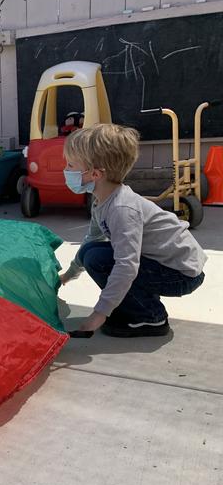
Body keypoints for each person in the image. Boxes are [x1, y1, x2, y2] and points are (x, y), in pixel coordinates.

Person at [59, 124, 207, 338]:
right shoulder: (102, 199)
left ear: (95, 174)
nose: (66, 169)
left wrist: (99, 314)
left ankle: (150, 317)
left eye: (70, 164)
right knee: (93, 251)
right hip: (167, 265)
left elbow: (127, 265)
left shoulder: (121, 209)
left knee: (99, 260)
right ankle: (136, 305)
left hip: (181, 273)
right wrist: (68, 275)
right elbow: (92, 239)